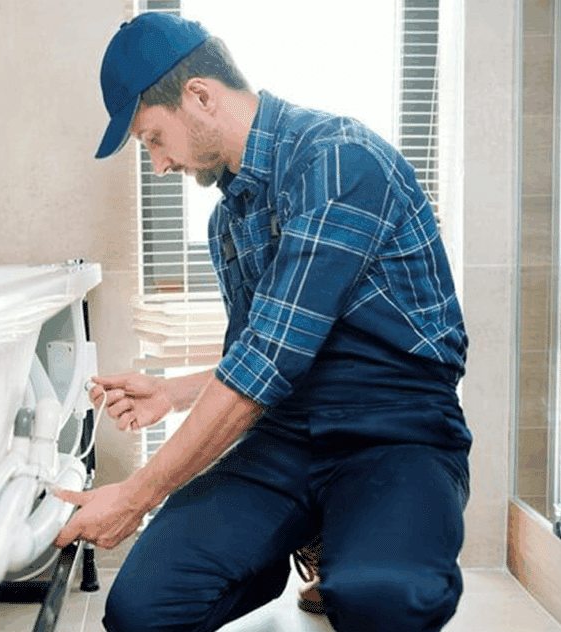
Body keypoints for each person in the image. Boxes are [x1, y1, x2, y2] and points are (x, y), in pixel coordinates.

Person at [53, 12, 473, 632]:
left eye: (152, 139)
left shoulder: (337, 164)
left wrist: (137, 495)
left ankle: (348, 542)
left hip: (395, 432)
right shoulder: (229, 223)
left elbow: (267, 363)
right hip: (287, 436)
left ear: (198, 96)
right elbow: (263, 355)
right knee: (141, 609)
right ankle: (300, 536)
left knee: (384, 596)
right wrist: (173, 391)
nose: (161, 166)